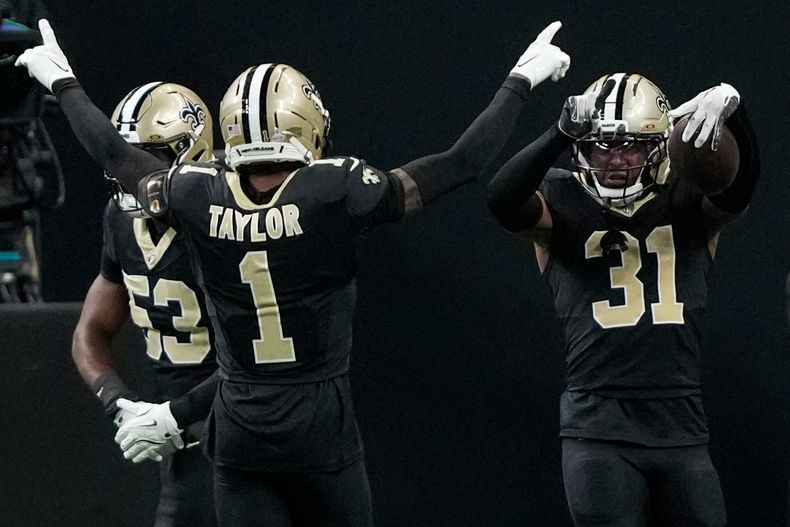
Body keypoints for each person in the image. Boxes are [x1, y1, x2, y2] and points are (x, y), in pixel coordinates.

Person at [18, 18, 570, 526]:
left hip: (237, 435)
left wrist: (63, 82)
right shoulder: (335, 190)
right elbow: (462, 163)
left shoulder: (192, 194)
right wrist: (520, 79)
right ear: (306, 126)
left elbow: (115, 156)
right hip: (319, 431)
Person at [487, 72, 759, 526]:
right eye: (599, 145)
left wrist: (737, 112)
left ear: (658, 145)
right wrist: (559, 131)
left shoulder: (689, 197)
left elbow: (739, 190)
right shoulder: (560, 200)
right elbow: (500, 198)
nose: (613, 159)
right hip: (598, 430)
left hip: (682, 427)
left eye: (629, 145)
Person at [71, 82, 218, 526]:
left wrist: (173, 416)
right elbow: (89, 332)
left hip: (244, 434)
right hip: (179, 446)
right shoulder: (119, 220)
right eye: (123, 155)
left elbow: (257, 360)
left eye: (148, 157)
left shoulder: (221, 223)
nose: (131, 172)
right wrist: (118, 399)